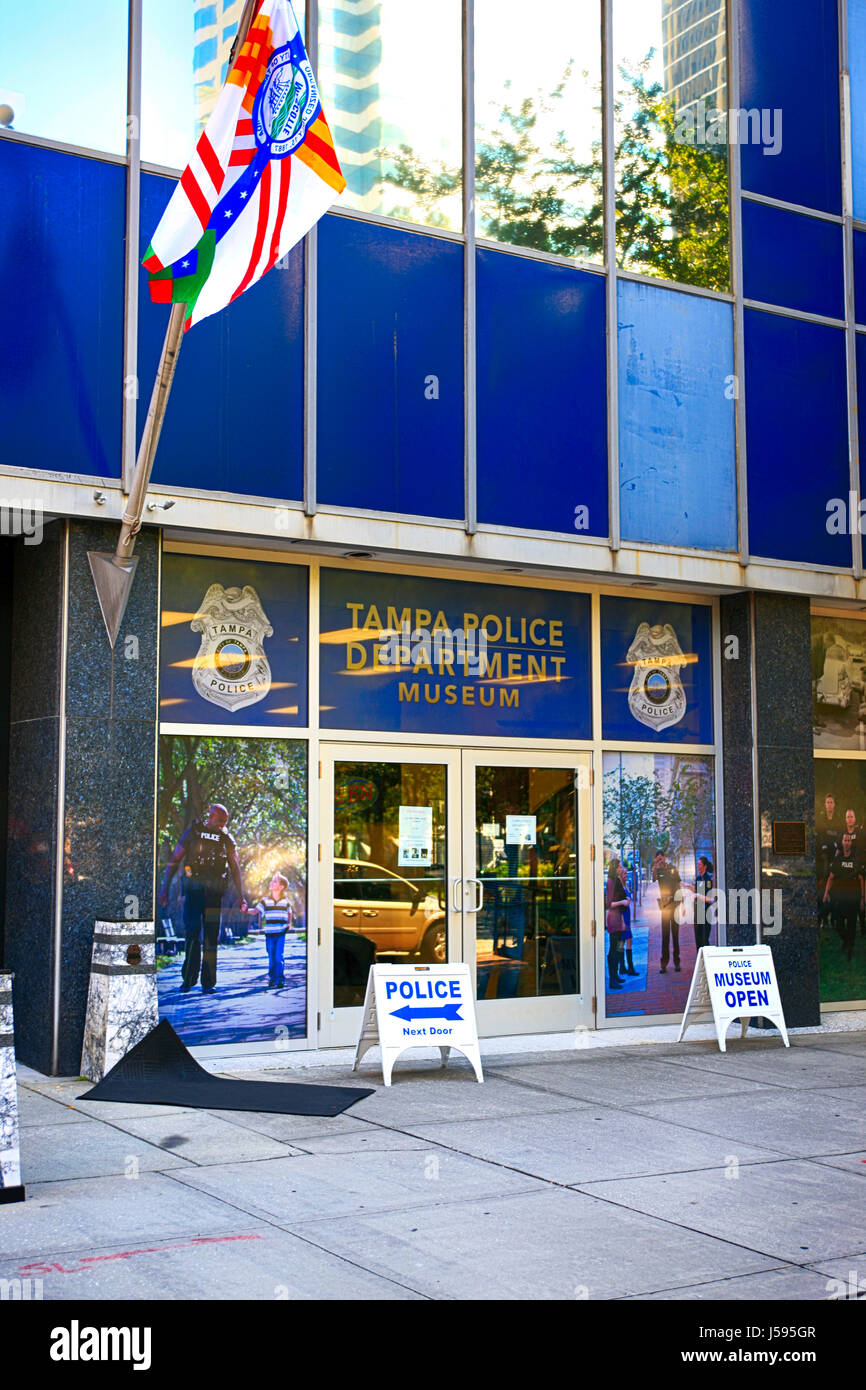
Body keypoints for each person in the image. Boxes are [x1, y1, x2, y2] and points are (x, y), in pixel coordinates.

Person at [158, 804, 246, 994]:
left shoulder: (226, 839)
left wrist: (241, 897)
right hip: (193, 892)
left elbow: (235, 868)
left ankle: (208, 983)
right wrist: (164, 888)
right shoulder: (193, 833)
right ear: (211, 816)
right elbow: (174, 861)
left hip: (214, 895)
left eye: (225, 821)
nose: (223, 824)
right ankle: (188, 979)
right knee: (192, 931)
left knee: (211, 936)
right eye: (220, 820)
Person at [823, 832, 863, 963]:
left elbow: (862, 879)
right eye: (844, 840)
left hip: (853, 898)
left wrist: (863, 897)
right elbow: (831, 877)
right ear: (842, 843)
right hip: (840, 897)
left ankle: (850, 949)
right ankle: (846, 940)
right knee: (838, 924)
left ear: (851, 843)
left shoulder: (856, 859)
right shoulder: (837, 859)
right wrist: (825, 893)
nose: (846, 842)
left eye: (848, 840)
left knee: (851, 925)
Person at [255, 872, 293, 988]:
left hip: (281, 932)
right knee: (271, 956)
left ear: (281, 887)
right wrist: (246, 910)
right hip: (269, 933)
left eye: (274, 881)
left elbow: (289, 912)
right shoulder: (265, 901)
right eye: (272, 881)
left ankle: (280, 979)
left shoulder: (285, 902)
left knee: (278, 956)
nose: (271, 883)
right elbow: (256, 910)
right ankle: (272, 978)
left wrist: (289, 924)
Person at [652, 849, 682, 974]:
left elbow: (679, 885)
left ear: (664, 857)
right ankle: (663, 964)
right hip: (665, 906)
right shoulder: (658, 871)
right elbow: (653, 879)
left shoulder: (673, 869)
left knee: (675, 935)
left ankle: (677, 963)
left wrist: (683, 904)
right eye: (658, 859)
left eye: (661, 858)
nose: (660, 861)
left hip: (675, 905)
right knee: (665, 936)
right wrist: (655, 866)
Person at [816, 794, 841, 930]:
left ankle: (834, 920)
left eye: (832, 802)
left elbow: (839, 836)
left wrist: (836, 848)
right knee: (822, 892)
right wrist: (824, 848)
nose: (830, 804)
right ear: (825, 804)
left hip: (835, 857)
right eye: (827, 802)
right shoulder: (821, 819)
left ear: (834, 804)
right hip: (823, 858)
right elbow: (820, 836)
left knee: (835, 892)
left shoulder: (838, 820)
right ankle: (822, 919)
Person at [605, 857, 629, 991]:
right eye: (619, 867)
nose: (620, 869)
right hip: (613, 920)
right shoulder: (610, 882)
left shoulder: (616, 881)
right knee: (613, 951)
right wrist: (623, 902)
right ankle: (612, 979)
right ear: (614, 868)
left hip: (619, 919)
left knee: (619, 947)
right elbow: (609, 904)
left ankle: (616, 976)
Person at [617, 861, 638, 976]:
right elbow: (620, 906)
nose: (626, 876)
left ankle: (623, 967)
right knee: (628, 940)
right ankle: (629, 967)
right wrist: (621, 922)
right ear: (621, 875)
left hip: (627, 916)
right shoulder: (619, 888)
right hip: (623, 918)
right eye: (624, 874)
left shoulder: (626, 885)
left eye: (626, 874)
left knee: (623, 942)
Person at [692, 856, 714, 951]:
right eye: (697, 864)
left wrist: (698, 895)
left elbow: (710, 899)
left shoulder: (708, 880)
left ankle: (706, 963)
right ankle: (699, 962)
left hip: (706, 913)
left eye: (700, 864)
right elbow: (696, 892)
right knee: (698, 939)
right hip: (698, 912)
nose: (698, 866)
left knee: (704, 940)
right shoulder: (698, 878)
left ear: (704, 866)